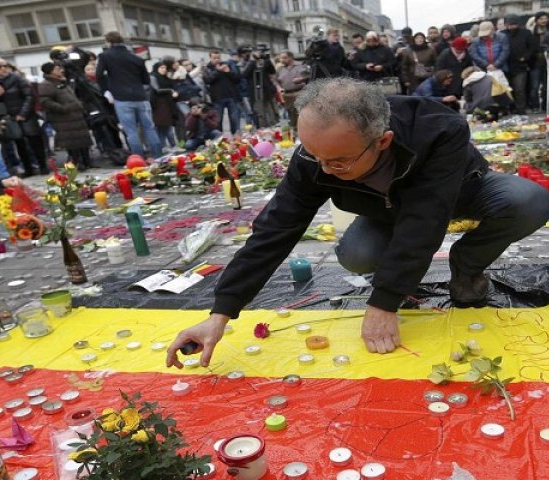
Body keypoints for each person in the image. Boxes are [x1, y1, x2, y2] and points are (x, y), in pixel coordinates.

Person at [165, 77, 549, 367]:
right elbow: (274, 230)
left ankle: (466, 269)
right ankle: (402, 276)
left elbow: (425, 218)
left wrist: (383, 303)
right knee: (356, 254)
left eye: (339, 162)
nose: (325, 170)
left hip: (460, 194)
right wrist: (221, 312)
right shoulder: (318, 158)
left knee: (528, 200)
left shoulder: (438, 130)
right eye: (315, 156)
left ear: (382, 142)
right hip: (387, 212)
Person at [95, 31, 162, 157]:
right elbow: (146, 80)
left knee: (131, 131)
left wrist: (107, 90)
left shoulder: (105, 56)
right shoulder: (136, 57)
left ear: (109, 42)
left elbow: (99, 75)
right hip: (140, 97)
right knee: (149, 128)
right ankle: (158, 156)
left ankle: (138, 160)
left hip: (121, 98)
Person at [0, 57, 48, 176]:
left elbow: (29, 96)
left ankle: (43, 166)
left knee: (35, 141)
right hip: (9, 117)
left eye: (4, 65)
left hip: (26, 115)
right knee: (19, 144)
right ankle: (28, 169)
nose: (3, 69)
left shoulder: (16, 78)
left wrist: (23, 114)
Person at [38, 63, 93, 170]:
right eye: (57, 69)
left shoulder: (62, 81)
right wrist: (64, 108)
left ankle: (87, 162)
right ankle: (77, 163)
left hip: (76, 116)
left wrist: (79, 105)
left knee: (82, 141)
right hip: (64, 119)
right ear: (51, 71)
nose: (61, 70)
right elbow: (46, 101)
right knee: (72, 143)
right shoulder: (46, 84)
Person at [501, 14, 535, 114]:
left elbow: (532, 48)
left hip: (521, 66)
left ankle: (521, 109)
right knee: (508, 89)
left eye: (514, 24)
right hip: (506, 66)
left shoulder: (526, 33)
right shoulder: (502, 34)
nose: (512, 27)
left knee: (520, 89)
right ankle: (511, 108)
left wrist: (525, 57)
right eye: (509, 25)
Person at [203, 50, 241, 134]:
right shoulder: (207, 68)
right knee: (218, 119)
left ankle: (236, 136)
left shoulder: (227, 65)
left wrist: (229, 72)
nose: (217, 59)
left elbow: (237, 79)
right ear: (210, 58)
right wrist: (218, 71)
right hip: (217, 98)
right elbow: (207, 80)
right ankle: (219, 137)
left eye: (218, 58)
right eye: (214, 58)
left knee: (234, 118)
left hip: (231, 96)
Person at [149, 62, 179, 149]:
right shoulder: (153, 77)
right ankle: (166, 146)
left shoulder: (165, 78)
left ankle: (166, 146)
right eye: (162, 68)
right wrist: (170, 90)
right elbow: (157, 90)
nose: (164, 70)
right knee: (164, 127)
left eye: (165, 68)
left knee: (166, 127)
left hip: (167, 104)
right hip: (159, 105)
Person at [276, 51, 306, 128]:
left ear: (290, 57)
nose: (281, 60)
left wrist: (301, 79)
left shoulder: (301, 65)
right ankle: (295, 132)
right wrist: (279, 88)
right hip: (287, 95)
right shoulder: (280, 69)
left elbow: (308, 76)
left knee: (302, 114)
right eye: (281, 58)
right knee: (291, 114)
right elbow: (276, 81)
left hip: (300, 92)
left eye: (284, 58)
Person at [528, 11, 548, 112]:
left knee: (546, 86)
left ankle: (545, 106)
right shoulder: (531, 32)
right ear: (536, 20)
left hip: (547, 62)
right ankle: (535, 106)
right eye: (541, 19)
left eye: (545, 18)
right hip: (535, 62)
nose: (544, 20)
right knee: (534, 86)